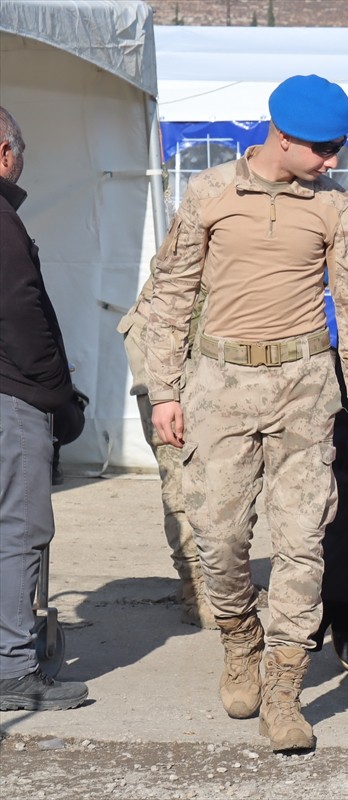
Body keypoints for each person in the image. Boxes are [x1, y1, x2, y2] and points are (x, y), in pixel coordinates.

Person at [143, 75, 348, 752]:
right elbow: (169, 293)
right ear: (281, 137)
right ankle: (238, 636)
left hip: (305, 388)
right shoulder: (210, 194)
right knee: (218, 540)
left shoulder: (334, 209)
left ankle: (285, 687)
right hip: (219, 384)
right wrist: (164, 389)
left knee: (302, 541)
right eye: (324, 149)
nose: (334, 161)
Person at [0, 105, 90, 712]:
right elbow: (24, 316)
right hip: (12, 398)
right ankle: (11, 667)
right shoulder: (2, 221)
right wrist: (60, 395)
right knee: (18, 532)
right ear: (4, 151)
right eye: (22, 149)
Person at [117, 267, 216, 629]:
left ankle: (219, 582)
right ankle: (196, 589)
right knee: (182, 484)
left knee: (221, 482)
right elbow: (165, 322)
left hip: (199, 358)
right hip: (163, 363)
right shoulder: (197, 236)